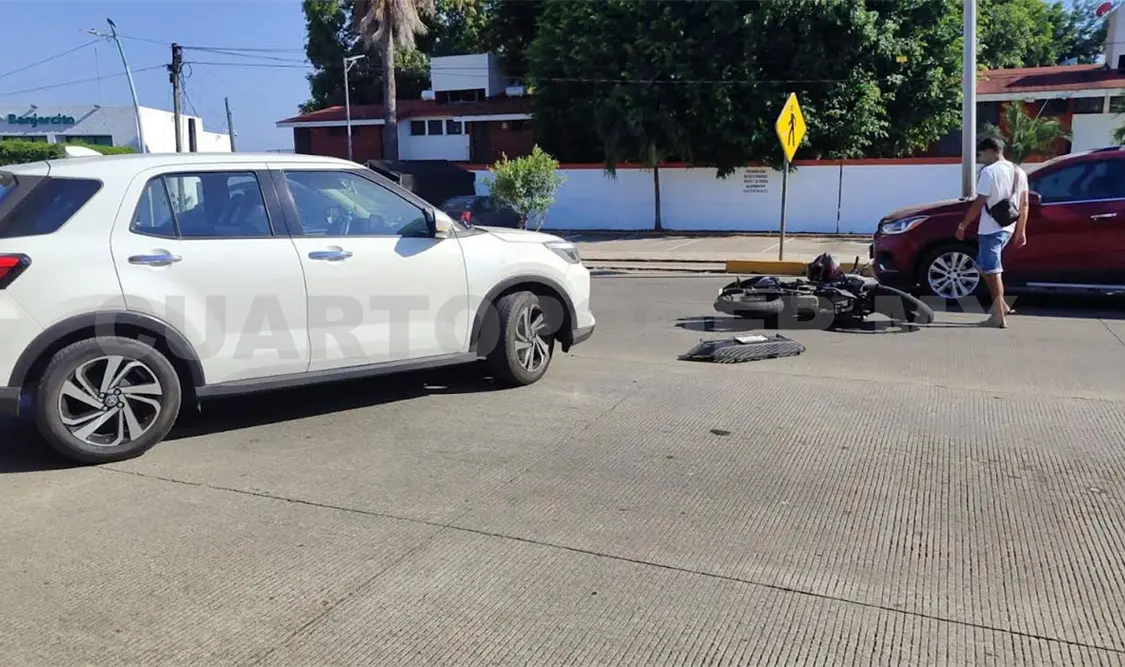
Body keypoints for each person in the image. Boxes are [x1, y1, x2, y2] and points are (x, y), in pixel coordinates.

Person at [955, 137, 1029, 328]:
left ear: (991, 151)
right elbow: (1024, 204)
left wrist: (963, 224)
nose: (981, 159)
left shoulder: (989, 172)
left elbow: (979, 202)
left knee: (992, 270)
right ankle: (1002, 305)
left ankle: (997, 315)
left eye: (981, 154)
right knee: (982, 265)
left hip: (991, 229)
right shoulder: (1019, 171)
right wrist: (1021, 231)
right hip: (1008, 227)